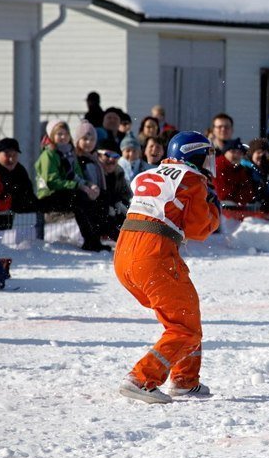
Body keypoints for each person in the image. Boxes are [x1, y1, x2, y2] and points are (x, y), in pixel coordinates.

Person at [115, 131, 221, 404]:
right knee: (184, 328)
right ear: (195, 155)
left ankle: (185, 380)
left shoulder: (153, 172)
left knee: (187, 313)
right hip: (154, 255)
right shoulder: (192, 179)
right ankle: (141, 378)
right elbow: (198, 229)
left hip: (125, 253)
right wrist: (214, 209)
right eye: (207, 156)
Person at [35, 120, 108, 252]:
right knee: (81, 199)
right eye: (59, 134)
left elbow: (78, 174)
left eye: (65, 133)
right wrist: (79, 187)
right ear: (52, 136)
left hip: (66, 191)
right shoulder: (49, 154)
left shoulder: (69, 153)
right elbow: (52, 181)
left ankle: (96, 239)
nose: (63, 137)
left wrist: (90, 186)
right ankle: (91, 241)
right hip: (49, 195)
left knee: (97, 198)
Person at [96, 141, 131, 241]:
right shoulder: (94, 170)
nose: (111, 159)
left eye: (115, 156)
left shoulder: (119, 172)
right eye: (107, 155)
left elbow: (126, 194)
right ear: (98, 155)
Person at [0, 138, 39, 213]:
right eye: (7, 155)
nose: (11, 159)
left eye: (14, 155)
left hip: (11, 216)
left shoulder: (19, 170)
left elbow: (28, 193)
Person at [214, 138, 256, 206]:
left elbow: (249, 193)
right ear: (225, 152)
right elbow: (223, 194)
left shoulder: (240, 169)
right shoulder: (218, 166)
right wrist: (240, 198)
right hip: (221, 211)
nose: (236, 155)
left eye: (240, 153)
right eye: (233, 151)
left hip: (235, 212)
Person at [242, 138, 269, 211]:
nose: (261, 156)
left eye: (264, 153)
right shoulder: (246, 169)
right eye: (258, 152)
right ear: (252, 154)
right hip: (249, 210)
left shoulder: (268, 170)